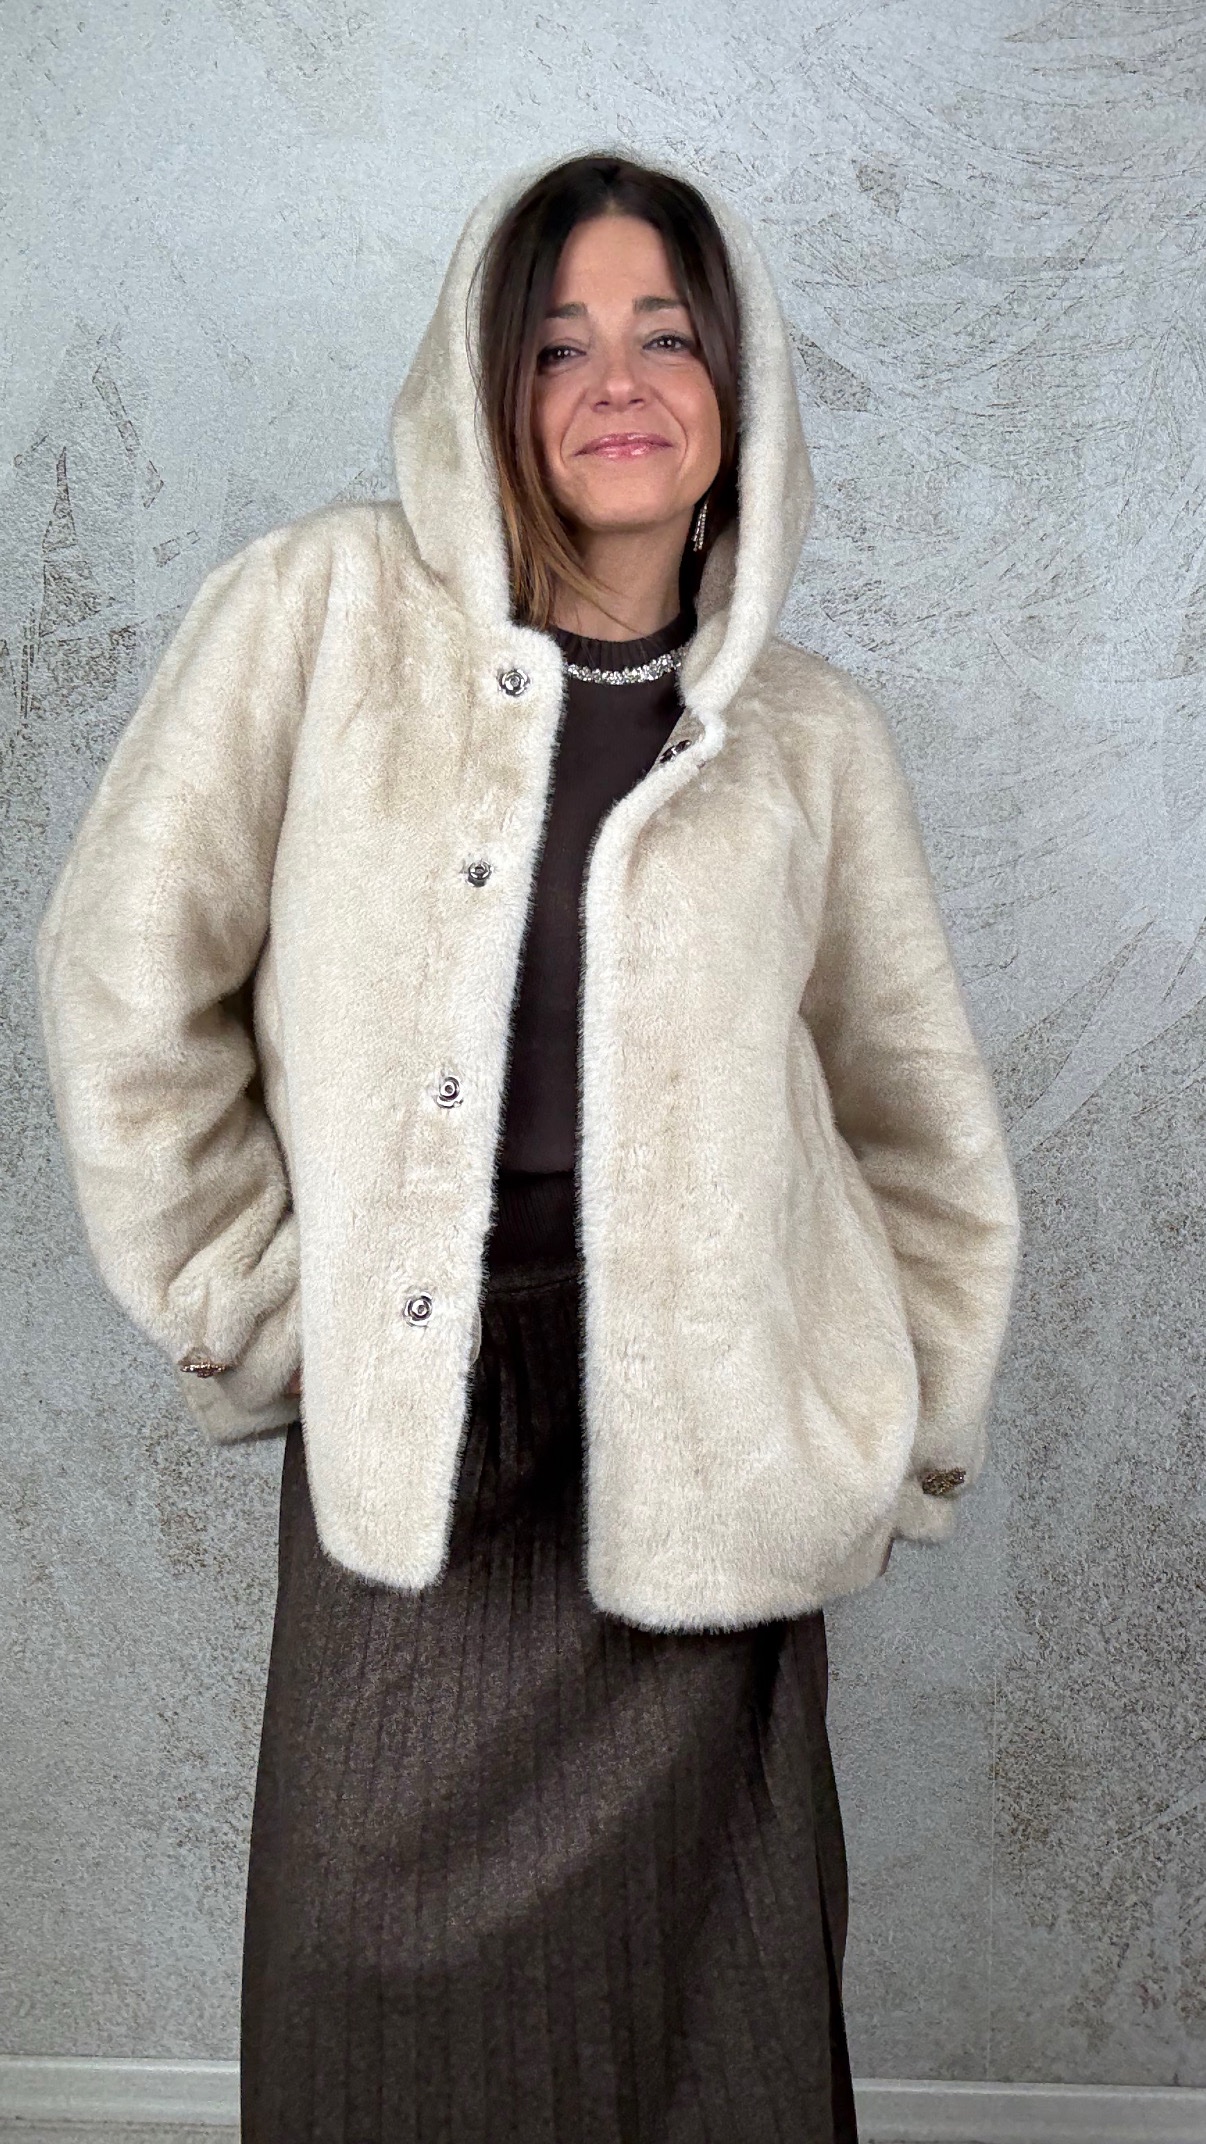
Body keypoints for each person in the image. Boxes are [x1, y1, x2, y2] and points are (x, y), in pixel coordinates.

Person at [34, 151, 1021, 2142]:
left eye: (667, 335)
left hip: (719, 1436)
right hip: (424, 1411)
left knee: (712, 2018)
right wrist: (249, 1299)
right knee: (363, 1982)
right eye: (559, 344)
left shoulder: (811, 742)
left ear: (739, 390)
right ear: (484, 386)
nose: (617, 382)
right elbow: (122, 971)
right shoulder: (321, 614)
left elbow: (917, 1119)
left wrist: (900, 1412)